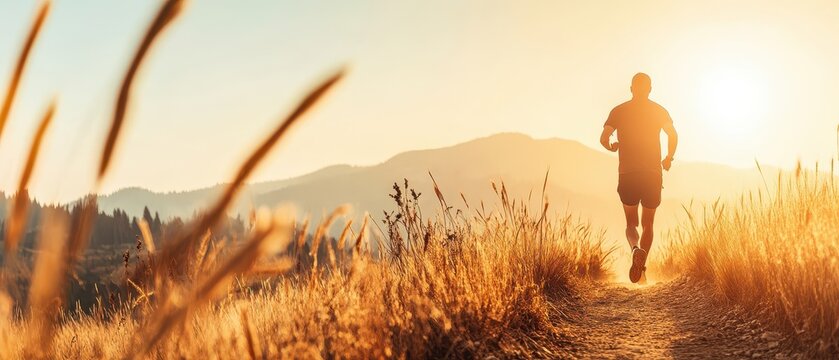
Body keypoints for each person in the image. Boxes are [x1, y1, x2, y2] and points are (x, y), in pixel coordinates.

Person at [599, 73, 678, 283]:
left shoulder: (619, 111)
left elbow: (604, 138)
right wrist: (668, 158)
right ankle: (641, 271)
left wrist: (612, 146)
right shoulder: (659, 110)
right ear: (650, 88)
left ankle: (635, 249)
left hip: (628, 173)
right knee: (649, 224)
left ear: (631, 88)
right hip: (652, 172)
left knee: (631, 223)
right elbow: (672, 134)